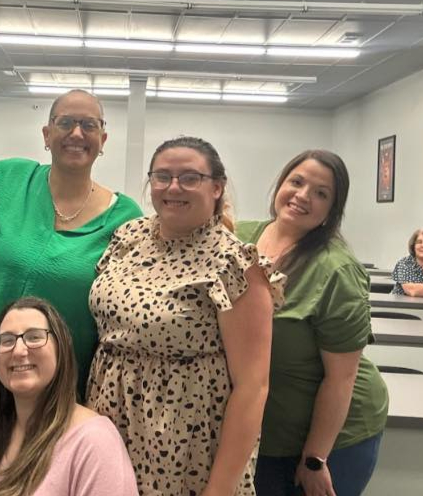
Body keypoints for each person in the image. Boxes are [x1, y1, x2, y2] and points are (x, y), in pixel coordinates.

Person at [86, 137, 285, 496]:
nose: (173, 187)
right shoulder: (128, 237)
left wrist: (219, 490)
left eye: (190, 178)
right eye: (162, 176)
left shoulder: (235, 263)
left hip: (185, 441)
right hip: (110, 419)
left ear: (217, 187)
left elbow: (253, 388)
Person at [0, 89, 143, 420]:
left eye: (89, 125)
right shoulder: (11, 178)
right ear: (46, 135)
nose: (77, 133)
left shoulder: (125, 217)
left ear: (103, 140)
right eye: (66, 123)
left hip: (65, 395)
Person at [236, 150, 389, 496]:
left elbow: (342, 377)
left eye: (321, 193)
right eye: (297, 182)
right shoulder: (239, 237)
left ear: (332, 210)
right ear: (281, 184)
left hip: (331, 439)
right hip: (265, 427)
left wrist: (316, 458)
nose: (303, 195)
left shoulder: (337, 270)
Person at [0, 296, 139, 496]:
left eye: (34, 337)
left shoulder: (95, 441)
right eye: (7, 341)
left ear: (61, 349)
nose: (19, 351)